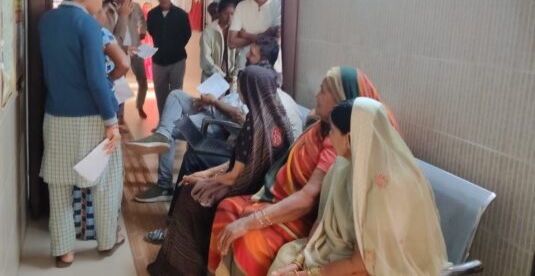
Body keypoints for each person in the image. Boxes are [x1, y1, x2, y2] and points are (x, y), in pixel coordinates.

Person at [207, 67, 397, 275]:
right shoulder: (326, 137)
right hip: (287, 204)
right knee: (227, 209)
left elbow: (311, 202)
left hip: (301, 218)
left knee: (249, 242)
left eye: (323, 91)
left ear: (341, 100)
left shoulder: (344, 151)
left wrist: (253, 222)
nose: (316, 96)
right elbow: (325, 215)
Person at [269, 98, 448, 276]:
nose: (329, 136)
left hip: (376, 267)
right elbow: (323, 223)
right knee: (285, 257)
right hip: (335, 251)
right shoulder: (342, 167)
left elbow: (364, 262)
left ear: (349, 138)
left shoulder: (388, 187)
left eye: (333, 131)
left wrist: (306, 274)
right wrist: (298, 261)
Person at [147, 65, 294, 276]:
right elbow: (241, 165)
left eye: (242, 88)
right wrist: (206, 174)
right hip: (263, 187)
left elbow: (234, 177)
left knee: (189, 195)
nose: (240, 93)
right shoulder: (279, 119)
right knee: (194, 181)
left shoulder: (254, 124)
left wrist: (205, 181)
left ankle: (183, 268)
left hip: (244, 189)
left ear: (249, 91)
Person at [127, 37, 303, 205]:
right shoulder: (254, 80)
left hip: (222, 125)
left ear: (263, 60)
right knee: (176, 95)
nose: (247, 56)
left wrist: (215, 102)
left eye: (252, 54)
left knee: (171, 129)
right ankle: (162, 134)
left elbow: (243, 120)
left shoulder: (262, 93)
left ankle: (164, 183)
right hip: (216, 110)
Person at [38, 0, 124, 267]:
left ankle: (65, 251)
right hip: (91, 118)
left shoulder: (46, 21)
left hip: (55, 115)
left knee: (60, 186)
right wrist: (111, 122)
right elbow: (97, 80)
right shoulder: (87, 24)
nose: (101, 6)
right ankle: (106, 241)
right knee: (106, 182)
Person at [72, 0, 130, 241]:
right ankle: (105, 230)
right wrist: (109, 80)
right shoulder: (102, 34)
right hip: (103, 105)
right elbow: (123, 63)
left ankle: (82, 227)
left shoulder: (76, 33)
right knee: (105, 170)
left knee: (82, 166)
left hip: (79, 106)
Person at [146, 0, 192, 115]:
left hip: (177, 60)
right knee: (160, 93)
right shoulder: (152, 14)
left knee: (176, 92)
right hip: (158, 61)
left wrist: (174, 47)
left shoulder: (181, 15)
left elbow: (187, 34)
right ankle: (163, 120)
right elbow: (151, 31)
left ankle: (175, 120)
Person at [228, 0, 282, 76]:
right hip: (244, 67)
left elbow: (275, 41)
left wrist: (245, 35)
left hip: (271, 70)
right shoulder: (241, 6)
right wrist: (264, 34)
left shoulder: (278, 6)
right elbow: (232, 42)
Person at [113, 0, 149, 119]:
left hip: (136, 48)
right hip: (121, 50)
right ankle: (120, 113)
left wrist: (143, 32)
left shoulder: (136, 7)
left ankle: (140, 105)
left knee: (143, 80)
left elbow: (142, 21)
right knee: (120, 82)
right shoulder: (114, 8)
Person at [201, 0, 238, 87]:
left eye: (232, 14)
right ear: (220, 13)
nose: (229, 17)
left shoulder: (237, 31)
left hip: (231, 80)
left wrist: (234, 74)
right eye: (226, 13)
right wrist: (221, 75)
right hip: (211, 77)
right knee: (210, 96)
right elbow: (206, 59)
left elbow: (240, 56)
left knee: (231, 96)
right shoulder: (209, 31)